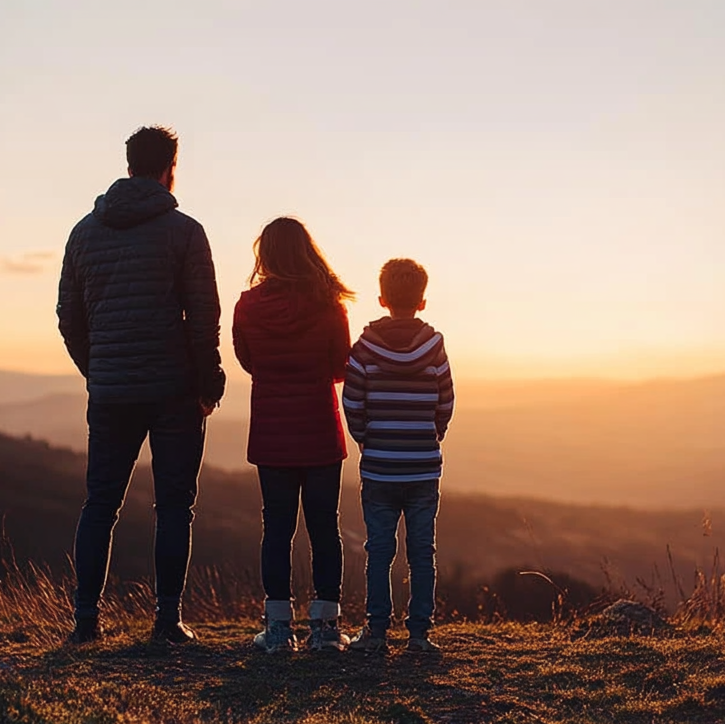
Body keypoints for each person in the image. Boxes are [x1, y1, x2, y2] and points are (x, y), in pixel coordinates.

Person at [56, 125, 225, 645]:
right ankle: (167, 621)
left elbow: (69, 316)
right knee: (174, 505)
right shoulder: (185, 231)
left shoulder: (84, 232)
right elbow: (203, 316)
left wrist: (99, 367)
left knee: (99, 504)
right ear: (169, 167)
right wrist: (208, 380)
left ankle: (86, 620)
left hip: (110, 392)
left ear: (129, 164)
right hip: (174, 390)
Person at [232, 217, 354, 653]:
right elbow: (343, 365)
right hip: (320, 428)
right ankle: (325, 630)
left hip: (271, 431)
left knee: (276, 529)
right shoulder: (329, 305)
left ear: (264, 255)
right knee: (325, 528)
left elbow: (247, 360)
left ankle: (279, 630)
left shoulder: (247, 306)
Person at [342, 258, 454, 653]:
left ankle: (375, 632)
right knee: (422, 552)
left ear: (382, 298)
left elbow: (352, 401)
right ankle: (419, 634)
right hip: (422, 466)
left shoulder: (364, 347)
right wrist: (431, 436)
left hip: (379, 468)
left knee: (379, 550)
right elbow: (446, 401)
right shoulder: (434, 346)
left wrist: (366, 440)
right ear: (422, 301)